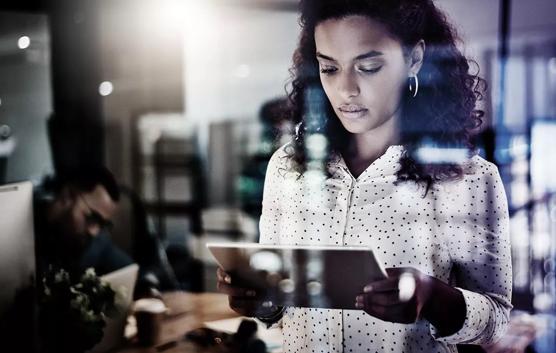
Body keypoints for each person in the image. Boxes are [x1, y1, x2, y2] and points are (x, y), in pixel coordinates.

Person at [217, 0, 512, 352]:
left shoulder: (469, 179)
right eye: (329, 68)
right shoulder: (287, 168)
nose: (346, 89)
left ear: (415, 59)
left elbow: (495, 320)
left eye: (368, 67)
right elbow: (279, 308)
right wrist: (258, 299)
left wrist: (434, 298)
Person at [34, 167, 132, 277]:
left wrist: (147, 283)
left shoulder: (91, 240)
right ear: (68, 196)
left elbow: (130, 269)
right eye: (93, 218)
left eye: (102, 224)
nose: (94, 232)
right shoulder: (26, 228)